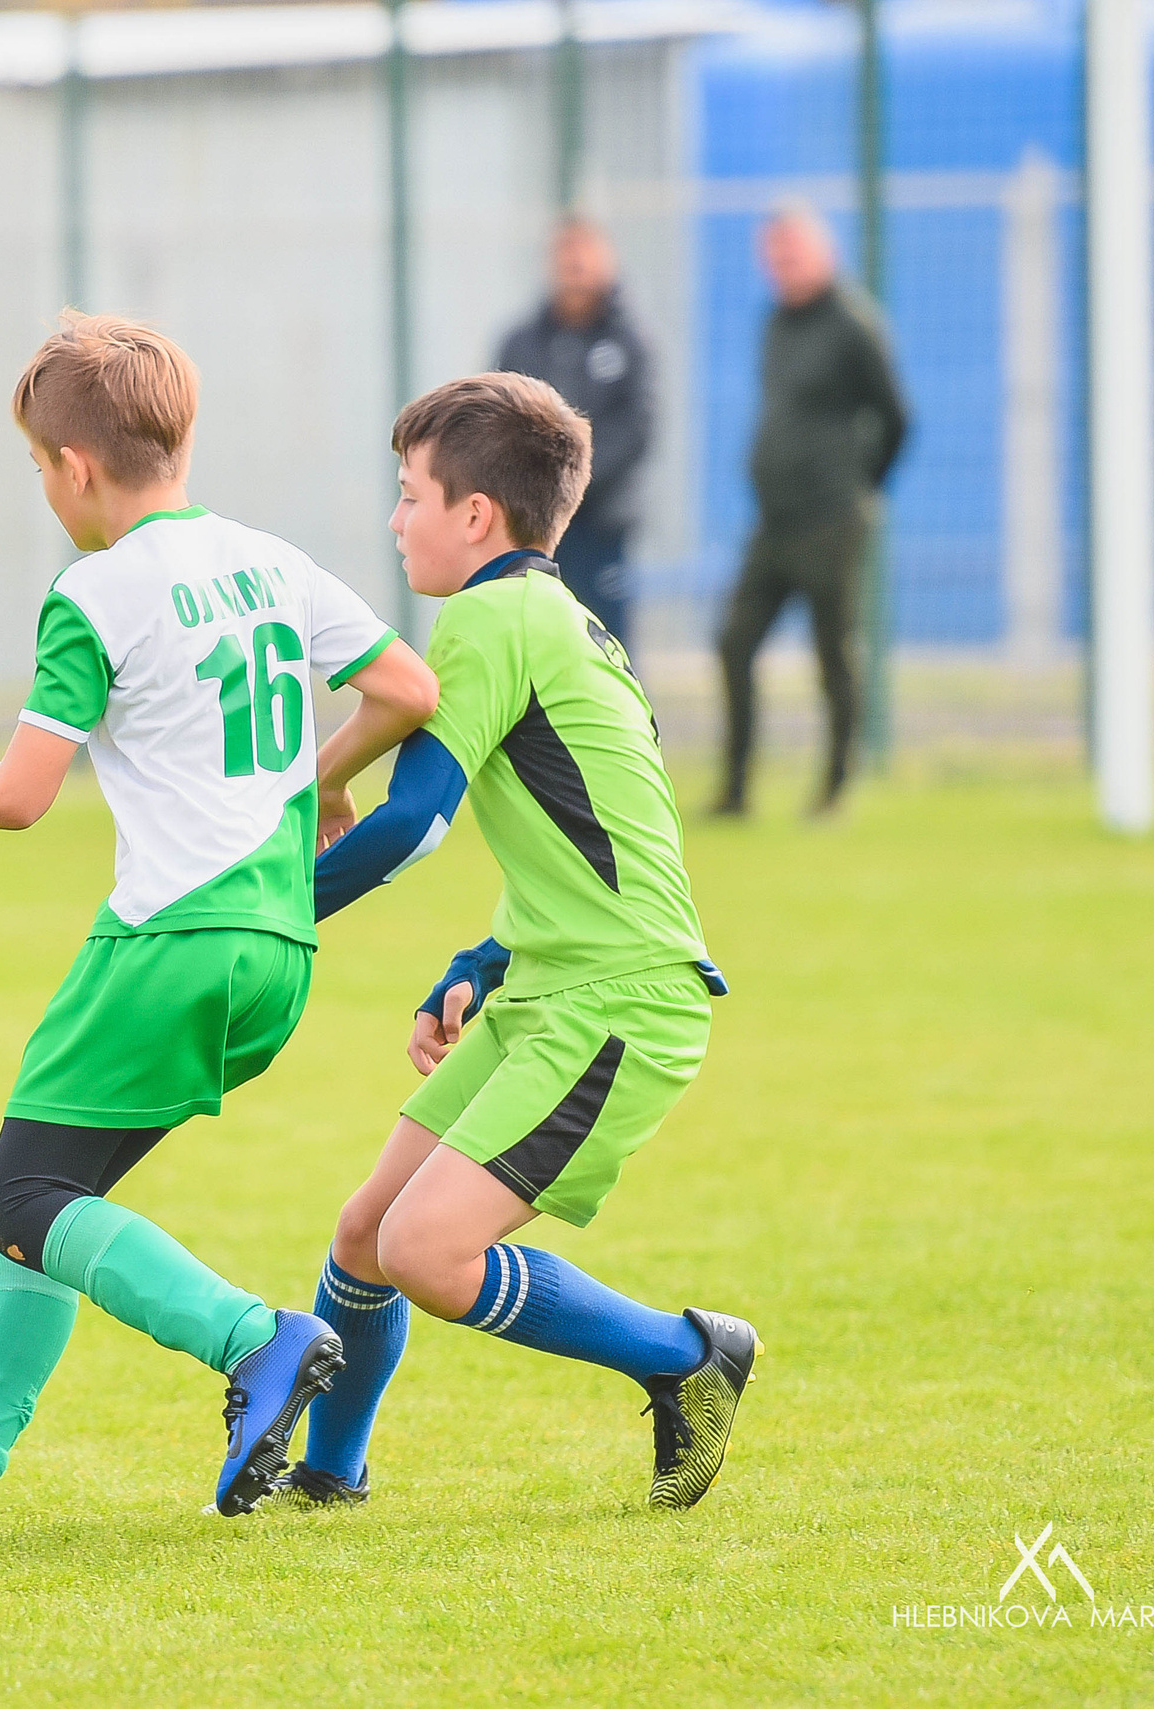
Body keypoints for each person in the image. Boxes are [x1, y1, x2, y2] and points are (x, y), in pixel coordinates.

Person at [0, 312, 438, 1544]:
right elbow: (408, 689)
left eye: (38, 466)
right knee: (53, 1199)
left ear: (74, 467)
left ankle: (254, 1338)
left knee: (23, 1193)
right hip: (277, 952)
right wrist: (323, 776)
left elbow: (18, 794)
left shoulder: (92, 593)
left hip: (165, 943)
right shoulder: (270, 561)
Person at [290, 372, 759, 1512]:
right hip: (557, 980)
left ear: (476, 516)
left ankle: (686, 1356)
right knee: (366, 1229)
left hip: (618, 1002)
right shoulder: (563, 620)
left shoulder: (491, 617)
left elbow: (413, 824)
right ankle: (325, 1473)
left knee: (428, 1253)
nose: (395, 519)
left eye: (409, 494)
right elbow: (592, 836)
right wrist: (482, 958)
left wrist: (269, 907)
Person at [715, 202, 909, 818]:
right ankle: (737, 788)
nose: (782, 265)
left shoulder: (854, 325)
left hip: (831, 521)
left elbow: (897, 417)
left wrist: (862, 489)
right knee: (733, 642)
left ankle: (834, 787)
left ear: (822, 251)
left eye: (792, 251)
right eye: (773, 255)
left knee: (832, 653)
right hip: (773, 519)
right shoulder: (775, 322)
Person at [491, 216, 654, 652]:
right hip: (530, 526)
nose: (575, 264)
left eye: (585, 252)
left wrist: (573, 482)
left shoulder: (629, 343)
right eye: (566, 253)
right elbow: (496, 423)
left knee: (605, 640)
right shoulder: (521, 343)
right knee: (532, 643)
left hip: (600, 525)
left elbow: (637, 429)